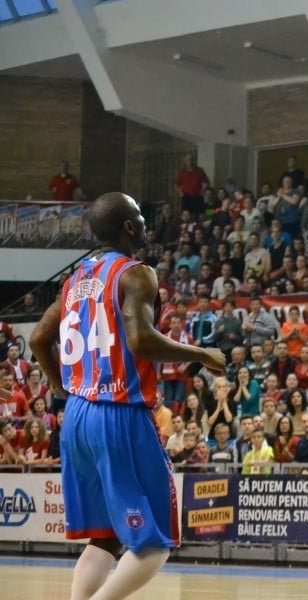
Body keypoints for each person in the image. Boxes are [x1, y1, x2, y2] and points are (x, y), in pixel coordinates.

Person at [28, 192, 225, 600]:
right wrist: (201, 353)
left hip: (78, 416)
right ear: (130, 227)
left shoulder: (76, 279)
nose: (146, 223)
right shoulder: (136, 274)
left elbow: (38, 338)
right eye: (141, 215)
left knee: (104, 539)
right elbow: (140, 340)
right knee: (155, 543)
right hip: (118, 413)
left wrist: (59, 385)